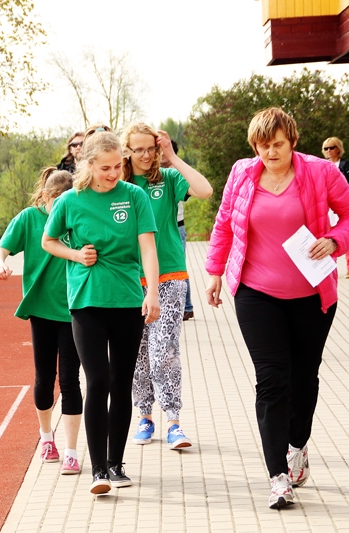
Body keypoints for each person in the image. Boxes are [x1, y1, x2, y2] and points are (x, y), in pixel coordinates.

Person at [205, 108, 349, 509]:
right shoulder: (243, 174)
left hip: (312, 295)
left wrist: (333, 241)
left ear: (292, 141)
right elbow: (224, 223)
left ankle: (298, 444)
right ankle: (277, 475)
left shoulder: (321, 172)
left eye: (277, 144)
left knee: (303, 377)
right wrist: (213, 272)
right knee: (272, 379)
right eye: (262, 145)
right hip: (256, 292)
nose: (269, 152)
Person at [42, 129, 160, 496]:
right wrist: (76, 255)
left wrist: (152, 292)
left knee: (122, 383)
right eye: (106, 168)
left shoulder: (135, 197)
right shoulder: (70, 201)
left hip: (127, 301)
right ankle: (98, 471)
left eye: (117, 166)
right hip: (86, 303)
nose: (113, 174)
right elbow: (49, 241)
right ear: (89, 165)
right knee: (98, 381)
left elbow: (148, 249)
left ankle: (117, 463)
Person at [121, 123, 213, 450]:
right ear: (127, 151)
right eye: (139, 149)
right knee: (137, 354)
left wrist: (173, 157)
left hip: (170, 276)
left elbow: (204, 190)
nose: (146, 156)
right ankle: (144, 415)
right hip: (129, 280)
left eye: (151, 148)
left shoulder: (168, 178)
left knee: (164, 351)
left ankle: (173, 419)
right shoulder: (120, 185)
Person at [0, 168, 83, 475]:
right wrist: (0, 264)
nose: (62, 205)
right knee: (44, 378)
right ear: (45, 197)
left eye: (68, 199)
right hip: (42, 311)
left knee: (70, 380)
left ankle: (71, 451)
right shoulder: (28, 219)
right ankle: (47, 438)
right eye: (57, 200)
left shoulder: (77, 216)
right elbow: (0, 250)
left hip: (74, 310)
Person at [322, 137, 349, 279]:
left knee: (345, 234)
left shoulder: (347, 166)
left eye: (332, 147)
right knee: (326, 236)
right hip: (327, 207)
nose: (329, 151)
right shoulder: (322, 166)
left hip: (343, 205)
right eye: (326, 148)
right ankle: (328, 268)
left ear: (338, 149)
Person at [161, 140, 195, 321]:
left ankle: (187, 306)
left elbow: (201, 189)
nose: (160, 156)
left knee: (178, 267)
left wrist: (174, 161)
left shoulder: (176, 173)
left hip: (176, 225)